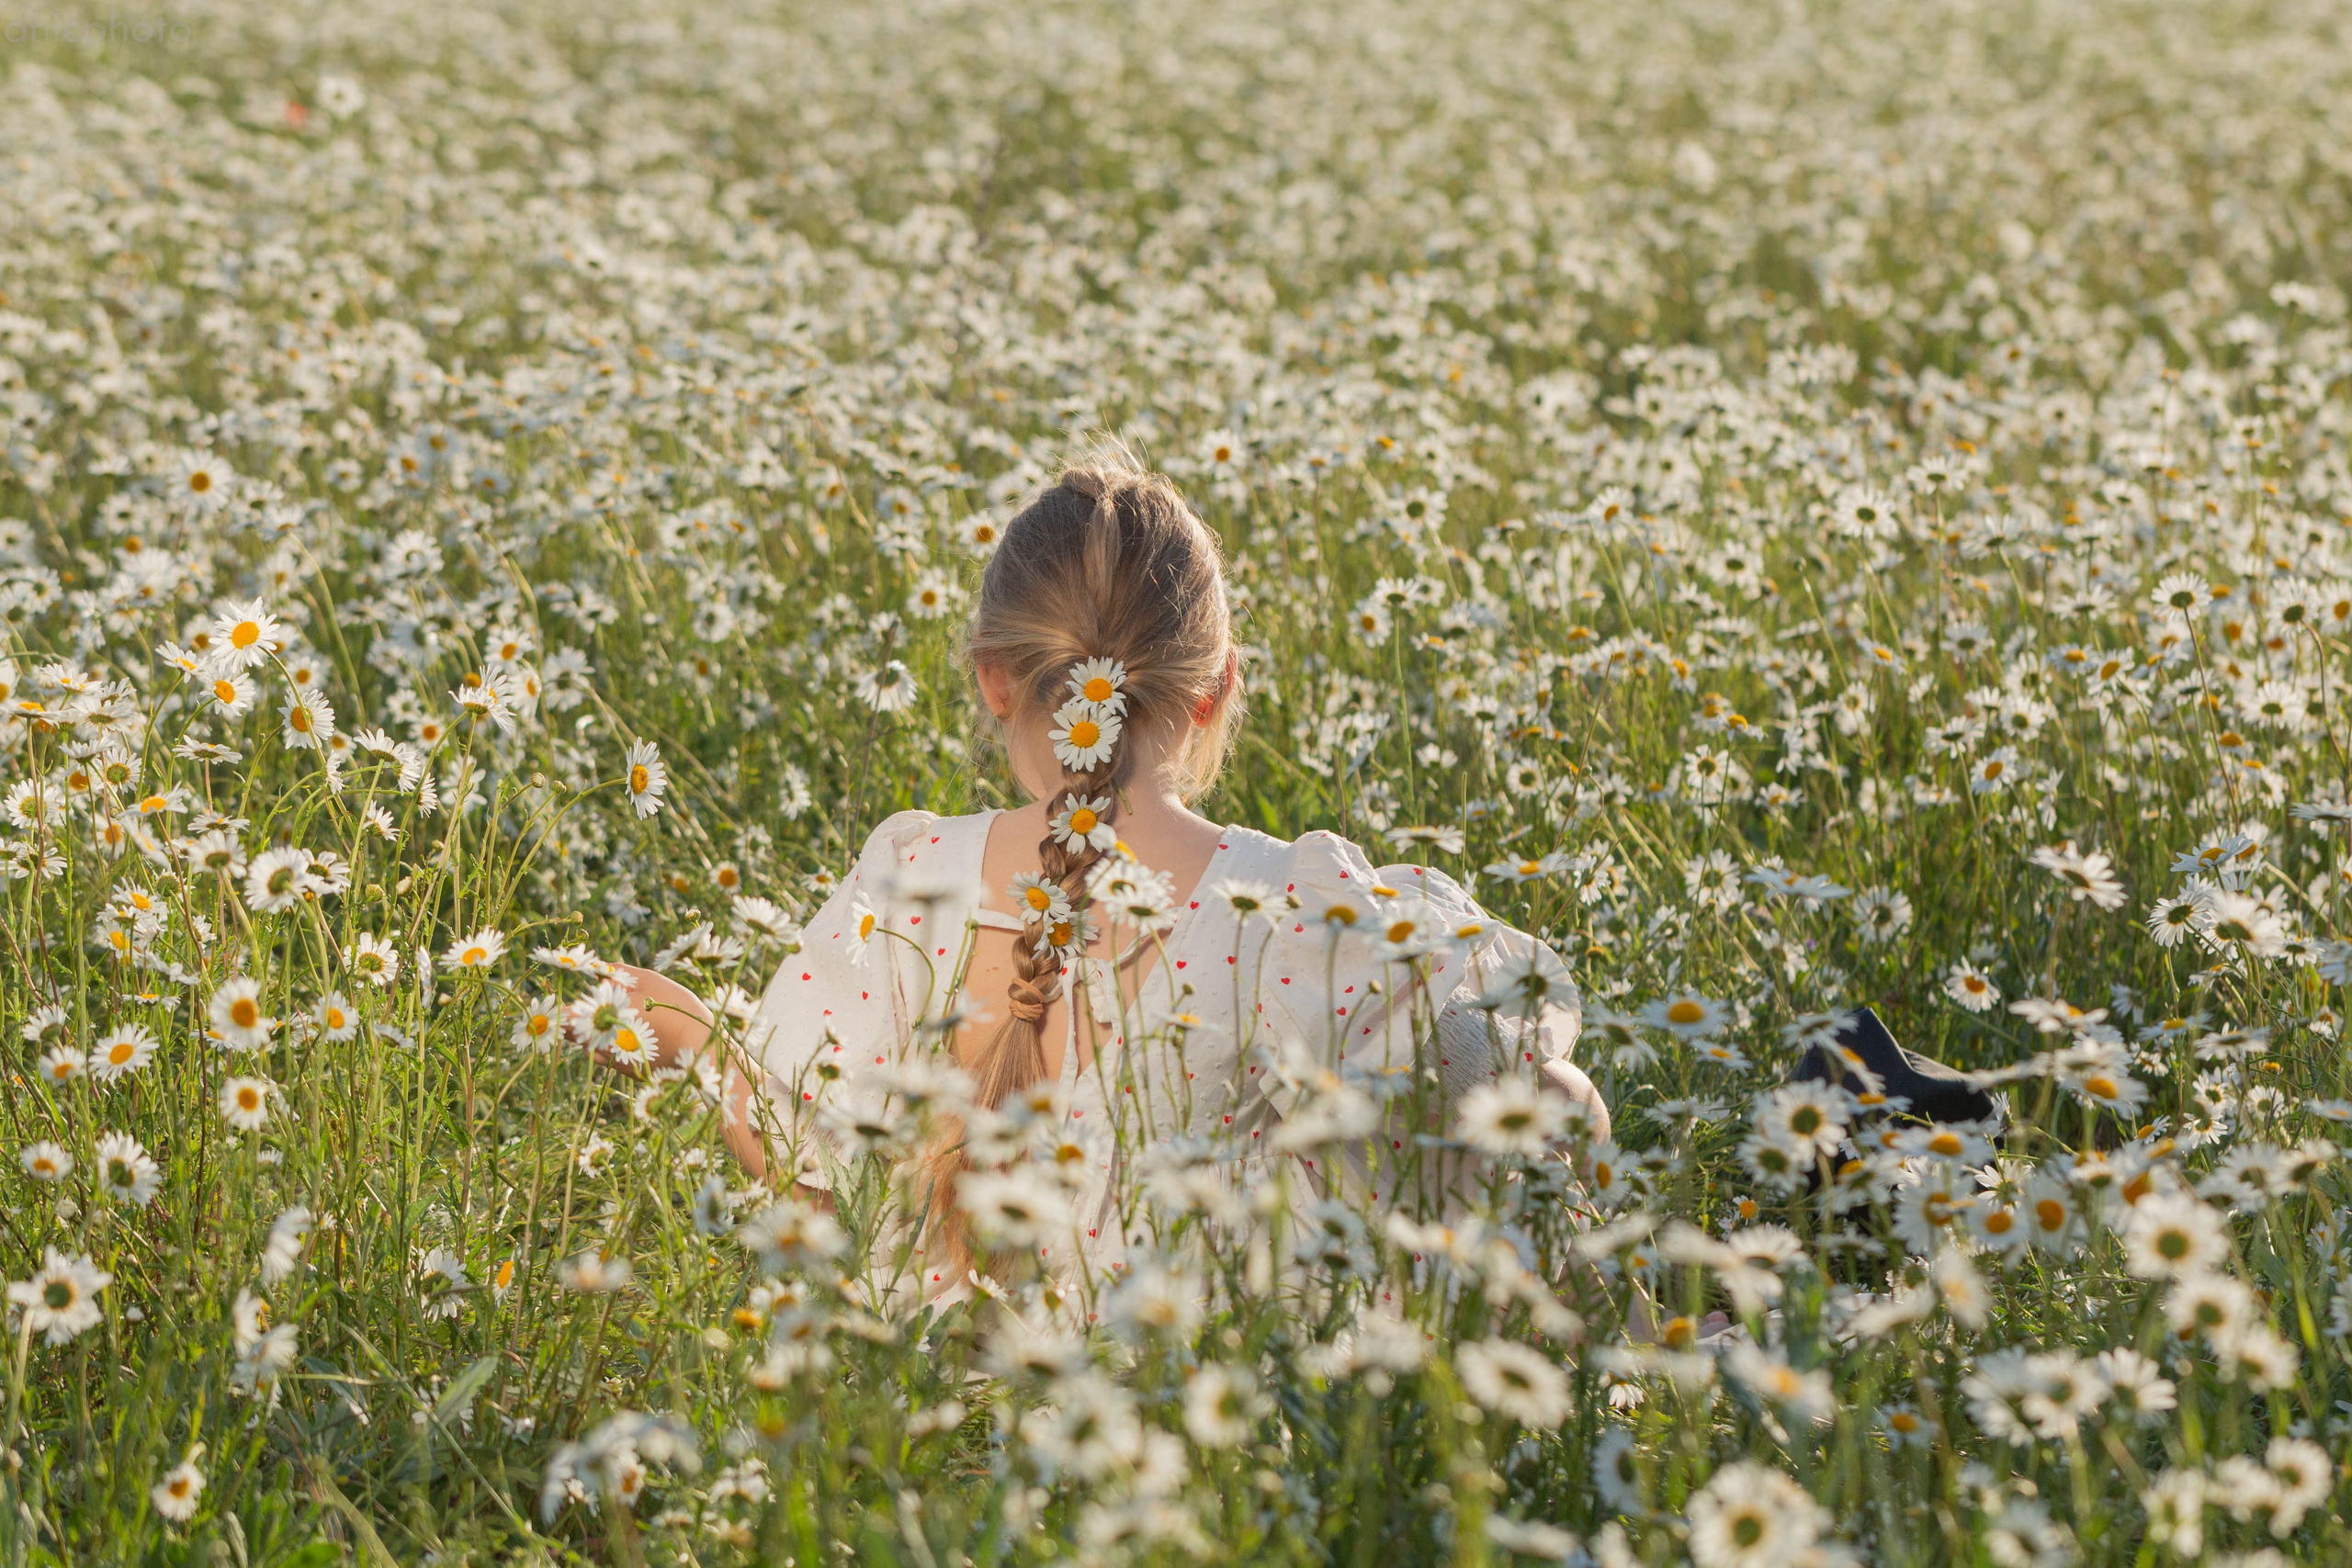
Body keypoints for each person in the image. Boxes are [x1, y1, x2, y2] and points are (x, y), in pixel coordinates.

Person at [619, 451, 1607, 1308]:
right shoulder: (1298, 913)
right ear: (1217, 688)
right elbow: (1478, 1110)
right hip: (1212, 1396)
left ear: (993, 680)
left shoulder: (911, 880)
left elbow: (814, 1184)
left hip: (950, 1383)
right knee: (1549, 1099)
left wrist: (692, 1040)